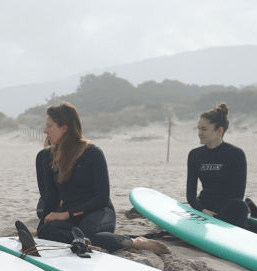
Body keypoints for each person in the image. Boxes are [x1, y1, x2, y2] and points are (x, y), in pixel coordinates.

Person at [35, 102, 168, 254]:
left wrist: (67, 214)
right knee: (47, 231)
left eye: (49, 126)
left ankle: (135, 242)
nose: (45, 131)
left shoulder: (92, 153)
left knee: (86, 236)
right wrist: (40, 231)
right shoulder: (49, 156)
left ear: (64, 128)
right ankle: (88, 240)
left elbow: (102, 198)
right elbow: (51, 199)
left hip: (98, 212)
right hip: (71, 217)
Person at [186, 103, 248, 227]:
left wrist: (215, 214)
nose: (199, 133)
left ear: (219, 131)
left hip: (226, 208)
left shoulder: (236, 154)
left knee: (240, 206)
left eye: (204, 129)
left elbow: (238, 195)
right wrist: (203, 210)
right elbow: (190, 194)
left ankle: (213, 224)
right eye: (198, 129)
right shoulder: (195, 155)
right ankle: (216, 224)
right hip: (203, 207)